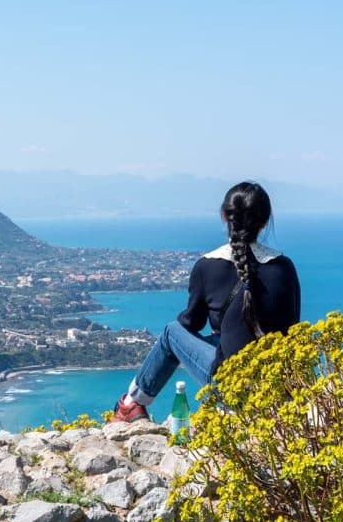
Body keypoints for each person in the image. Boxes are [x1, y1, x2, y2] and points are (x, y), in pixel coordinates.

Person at [112, 181, 302, 422]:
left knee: (172, 332)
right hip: (277, 384)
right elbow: (293, 328)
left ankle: (131, 404)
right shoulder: (284, 267)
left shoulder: (207, 266)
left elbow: (190, 323)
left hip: (233, 389)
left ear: (224, 216)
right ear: (265, 221)